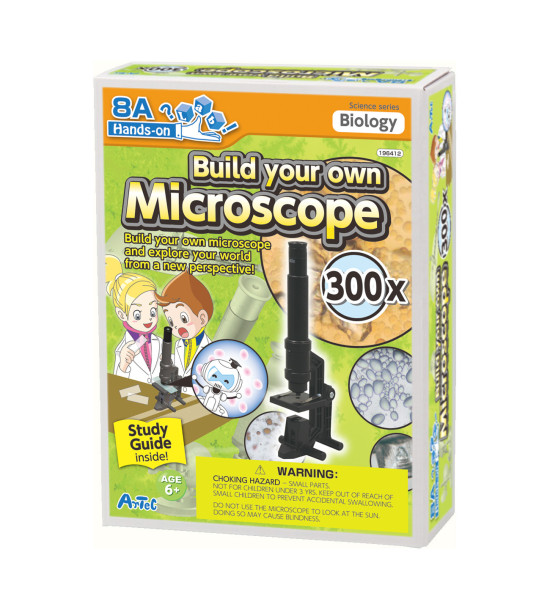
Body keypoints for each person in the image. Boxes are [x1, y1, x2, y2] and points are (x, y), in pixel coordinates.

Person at [106, 255, 161, 383]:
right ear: (121, 314)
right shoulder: (122, 350)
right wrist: (123, 367)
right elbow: (117, 386)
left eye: (153, 311)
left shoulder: (159, 342)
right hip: (135, 394)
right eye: (138, 315)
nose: (148, 319)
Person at [155, 271, 213, 391]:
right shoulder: (179, 344)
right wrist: (168, 359)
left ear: (202, 318)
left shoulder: (210, 350)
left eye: (184, 318)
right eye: (171, 322)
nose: (176, 327)